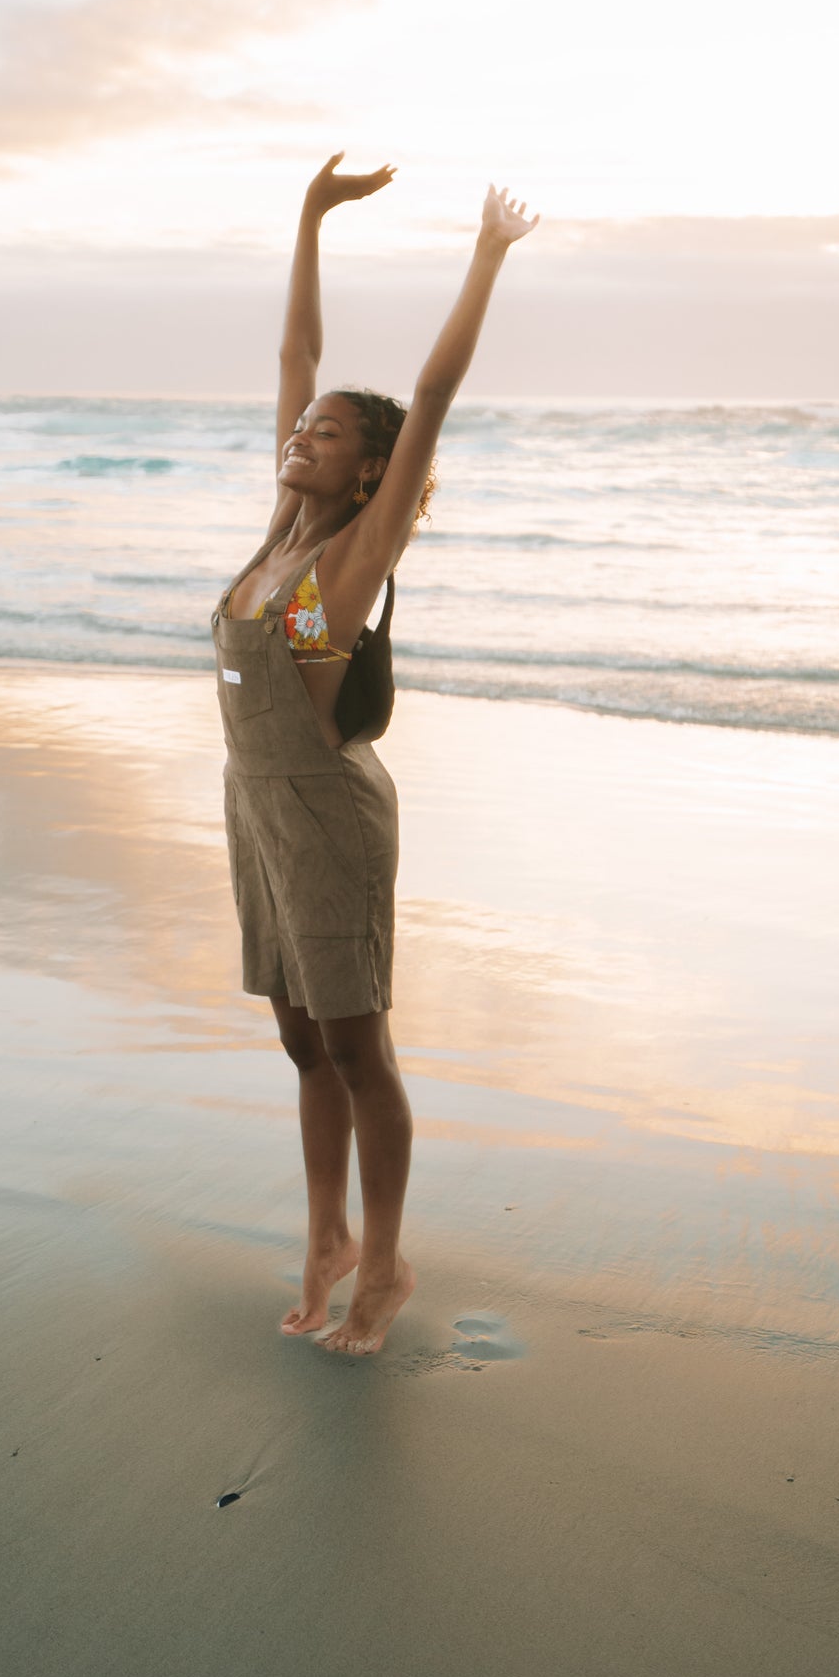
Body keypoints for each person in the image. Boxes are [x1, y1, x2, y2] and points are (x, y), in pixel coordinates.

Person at [212, 154, 538, 1355]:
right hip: (253, 808)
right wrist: (305, 215)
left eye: (330, 432)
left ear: (369, 472)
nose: (301, 430)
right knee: (300, 1038)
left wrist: (485, 257)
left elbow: (432, 391)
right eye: (302, 425)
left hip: (329, 817)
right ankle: (323, 1237)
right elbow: (295, 355)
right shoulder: (273, 539)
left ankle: (385, 1263)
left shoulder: (345, 563)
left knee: (356, 1043)